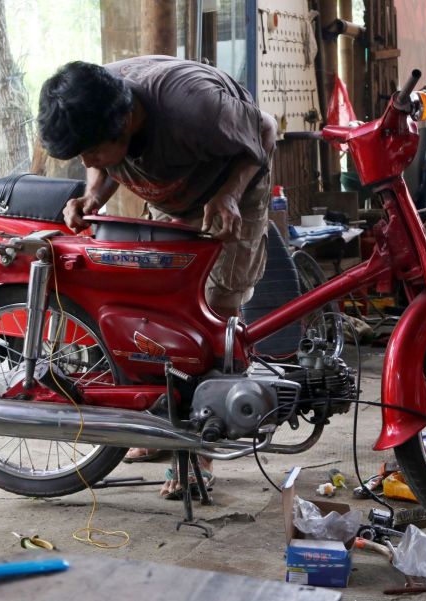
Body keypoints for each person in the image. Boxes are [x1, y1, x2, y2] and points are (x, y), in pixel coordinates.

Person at [37, 56, 277, 499]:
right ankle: (161, 426)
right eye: (82, 154)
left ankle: (203, 448)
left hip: (230, 190)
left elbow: (265, 131)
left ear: (128, 119)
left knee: (215, 312)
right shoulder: (95, 100)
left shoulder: (196, 107)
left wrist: (228, 197)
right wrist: (91, 195)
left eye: (92, 151)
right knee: (158, 312)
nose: (89, 160)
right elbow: (106, 164)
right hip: (172, 195)